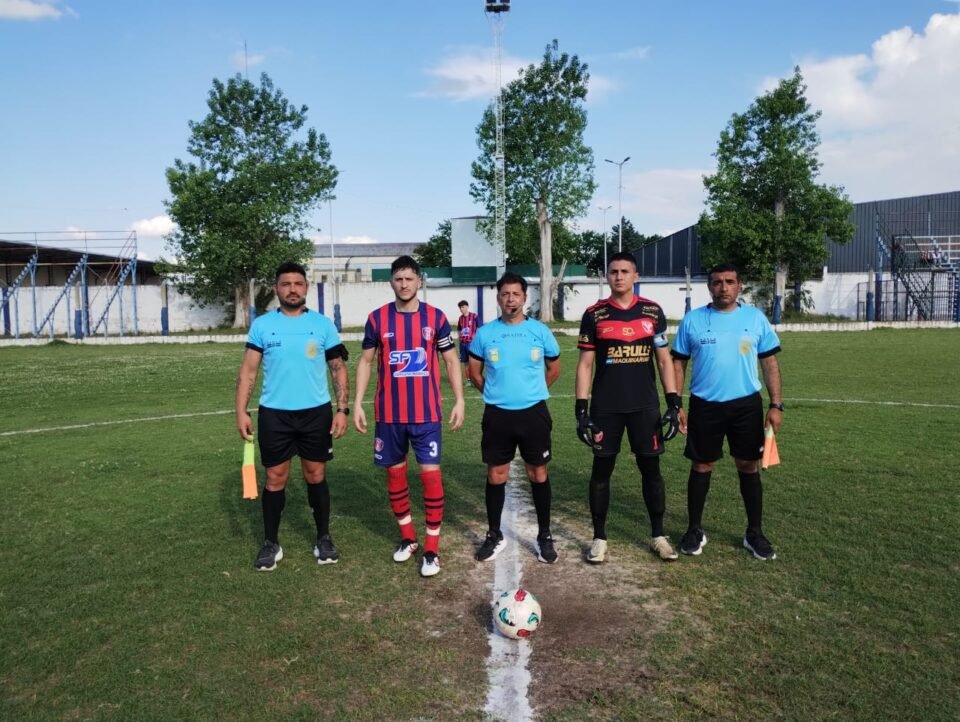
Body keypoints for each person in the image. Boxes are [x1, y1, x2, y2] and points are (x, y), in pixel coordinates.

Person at [353, 256, 465, 577]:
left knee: (430, 476)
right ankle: (408, 538)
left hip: (426, 415)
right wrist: (357, 402)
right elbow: (365, 361)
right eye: (399, 279)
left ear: (419, 281)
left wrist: (459, 400)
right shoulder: (377, 319)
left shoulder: (436, 317)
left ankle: (432, 549)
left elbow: (451, 360)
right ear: (391, 282)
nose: (404, 284)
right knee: (395, 476)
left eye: (409, 279)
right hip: (389, 416)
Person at [235, 262, 350, 571]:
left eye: (298, 283)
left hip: (316, 413)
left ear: (306, 287)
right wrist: (241, 411)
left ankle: (323, 537)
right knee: (275, 477)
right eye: (286, 284)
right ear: (277, 289)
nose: (292, 289)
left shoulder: (323, 325)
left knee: (316, 475)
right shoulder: (262, 326)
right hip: (275, 415)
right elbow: (248, 371)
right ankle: (270, 542)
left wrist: (342, 409)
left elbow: (338, 368)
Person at [575, 252, 684, 564]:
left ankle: (658, 535)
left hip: (644, 407)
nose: (619, 276)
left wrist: (674, 401)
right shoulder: (594, 314)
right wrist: (581, 409)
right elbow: (585, 365)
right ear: (607, 276)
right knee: (601, 472)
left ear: (636, 276)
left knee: (651, 470)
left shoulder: (653, 311)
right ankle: (599, 538)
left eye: (625, 271)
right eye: (613, 271)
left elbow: (663, 360)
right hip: (606, 407)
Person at [671, 263, 783, 561]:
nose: (723, 287)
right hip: (705, 405)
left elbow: (769, 363)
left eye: (729, 281)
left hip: (746, 405)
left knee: (748, 465)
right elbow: (678, 363)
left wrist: (776, 404)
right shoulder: (693, 320)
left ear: (739, 285)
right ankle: (694, 529)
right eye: (717, 282)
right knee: (701, 465)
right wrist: (676, 404)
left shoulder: (755, 318)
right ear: (709, 287)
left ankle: (754, 532)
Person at [468, 272, 562, 564]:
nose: (511, 299)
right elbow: (474, 372)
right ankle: (494, 534)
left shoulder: (539, 331)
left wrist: (533, 392)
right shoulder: (485, 334)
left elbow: (554, 368)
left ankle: (544, 535)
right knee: (496, 474)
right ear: (498, 298)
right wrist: (495, 393)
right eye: (505, 294)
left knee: (538, 473)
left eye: (516, 294)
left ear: (524, 297)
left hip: (534, 413)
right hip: (497, 415)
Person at [456, 299, 480, 382]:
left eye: (462, 307)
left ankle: (475, 378)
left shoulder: (474, 316)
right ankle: (469, 380)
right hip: (463, 344)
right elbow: (459, 329)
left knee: (473, 362)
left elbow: (480, 327)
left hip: (471, 343)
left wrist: (476, 339)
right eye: (460, 307)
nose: (461, 309)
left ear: (467, 307)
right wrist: (460, 339)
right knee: (465, 363)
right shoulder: (460, 318)